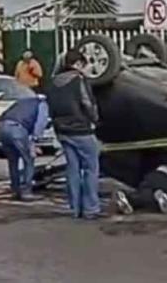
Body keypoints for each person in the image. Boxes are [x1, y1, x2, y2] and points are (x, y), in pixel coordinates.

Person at [47, 50, 102, 219]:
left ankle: (74, 208)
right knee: (91, 168)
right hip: (81, 129)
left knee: (72, 169)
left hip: (62, 131)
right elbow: (86, 102)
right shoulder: (78, 80)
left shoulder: (53, 82)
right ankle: (91, 208)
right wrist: (95, 119)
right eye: (84, 65)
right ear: (78, 64)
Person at [0, 93, 50, 201]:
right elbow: (40, 123)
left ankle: (15, 190)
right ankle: (27, 191)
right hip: (17, 128)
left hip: (2, 127)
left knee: (13, 161)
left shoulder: (23, 100)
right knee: (29, 159)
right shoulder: (43, 105)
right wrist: (35, 141)